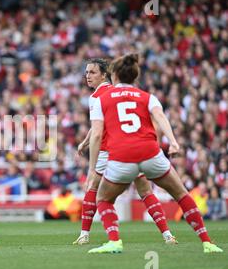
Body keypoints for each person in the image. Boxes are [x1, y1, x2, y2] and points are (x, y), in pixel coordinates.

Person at [87, 53, 222, 253]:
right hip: (150, 153)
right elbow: (160, 117)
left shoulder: (101, 99)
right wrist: (174, 142)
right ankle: (207, 242)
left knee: (103, 199)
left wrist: (91, 169)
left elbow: (97, 135)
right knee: (181, 194)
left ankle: (114, 241)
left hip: (121, 156)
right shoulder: (147, 97)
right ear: (135, 77)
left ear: (114, 76)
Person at [74, 58, 176, 245]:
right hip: (134, 146)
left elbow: (99, 128)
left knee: (93, 189)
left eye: (92, 72)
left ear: (104, 74)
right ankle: (167, 235)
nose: (88, 76)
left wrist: (90, 145)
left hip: (109, 150)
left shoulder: (96, 97)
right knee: (145, 190)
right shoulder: (118, 92)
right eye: (86, 72)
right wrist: (86, 141)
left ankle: (85, 235)